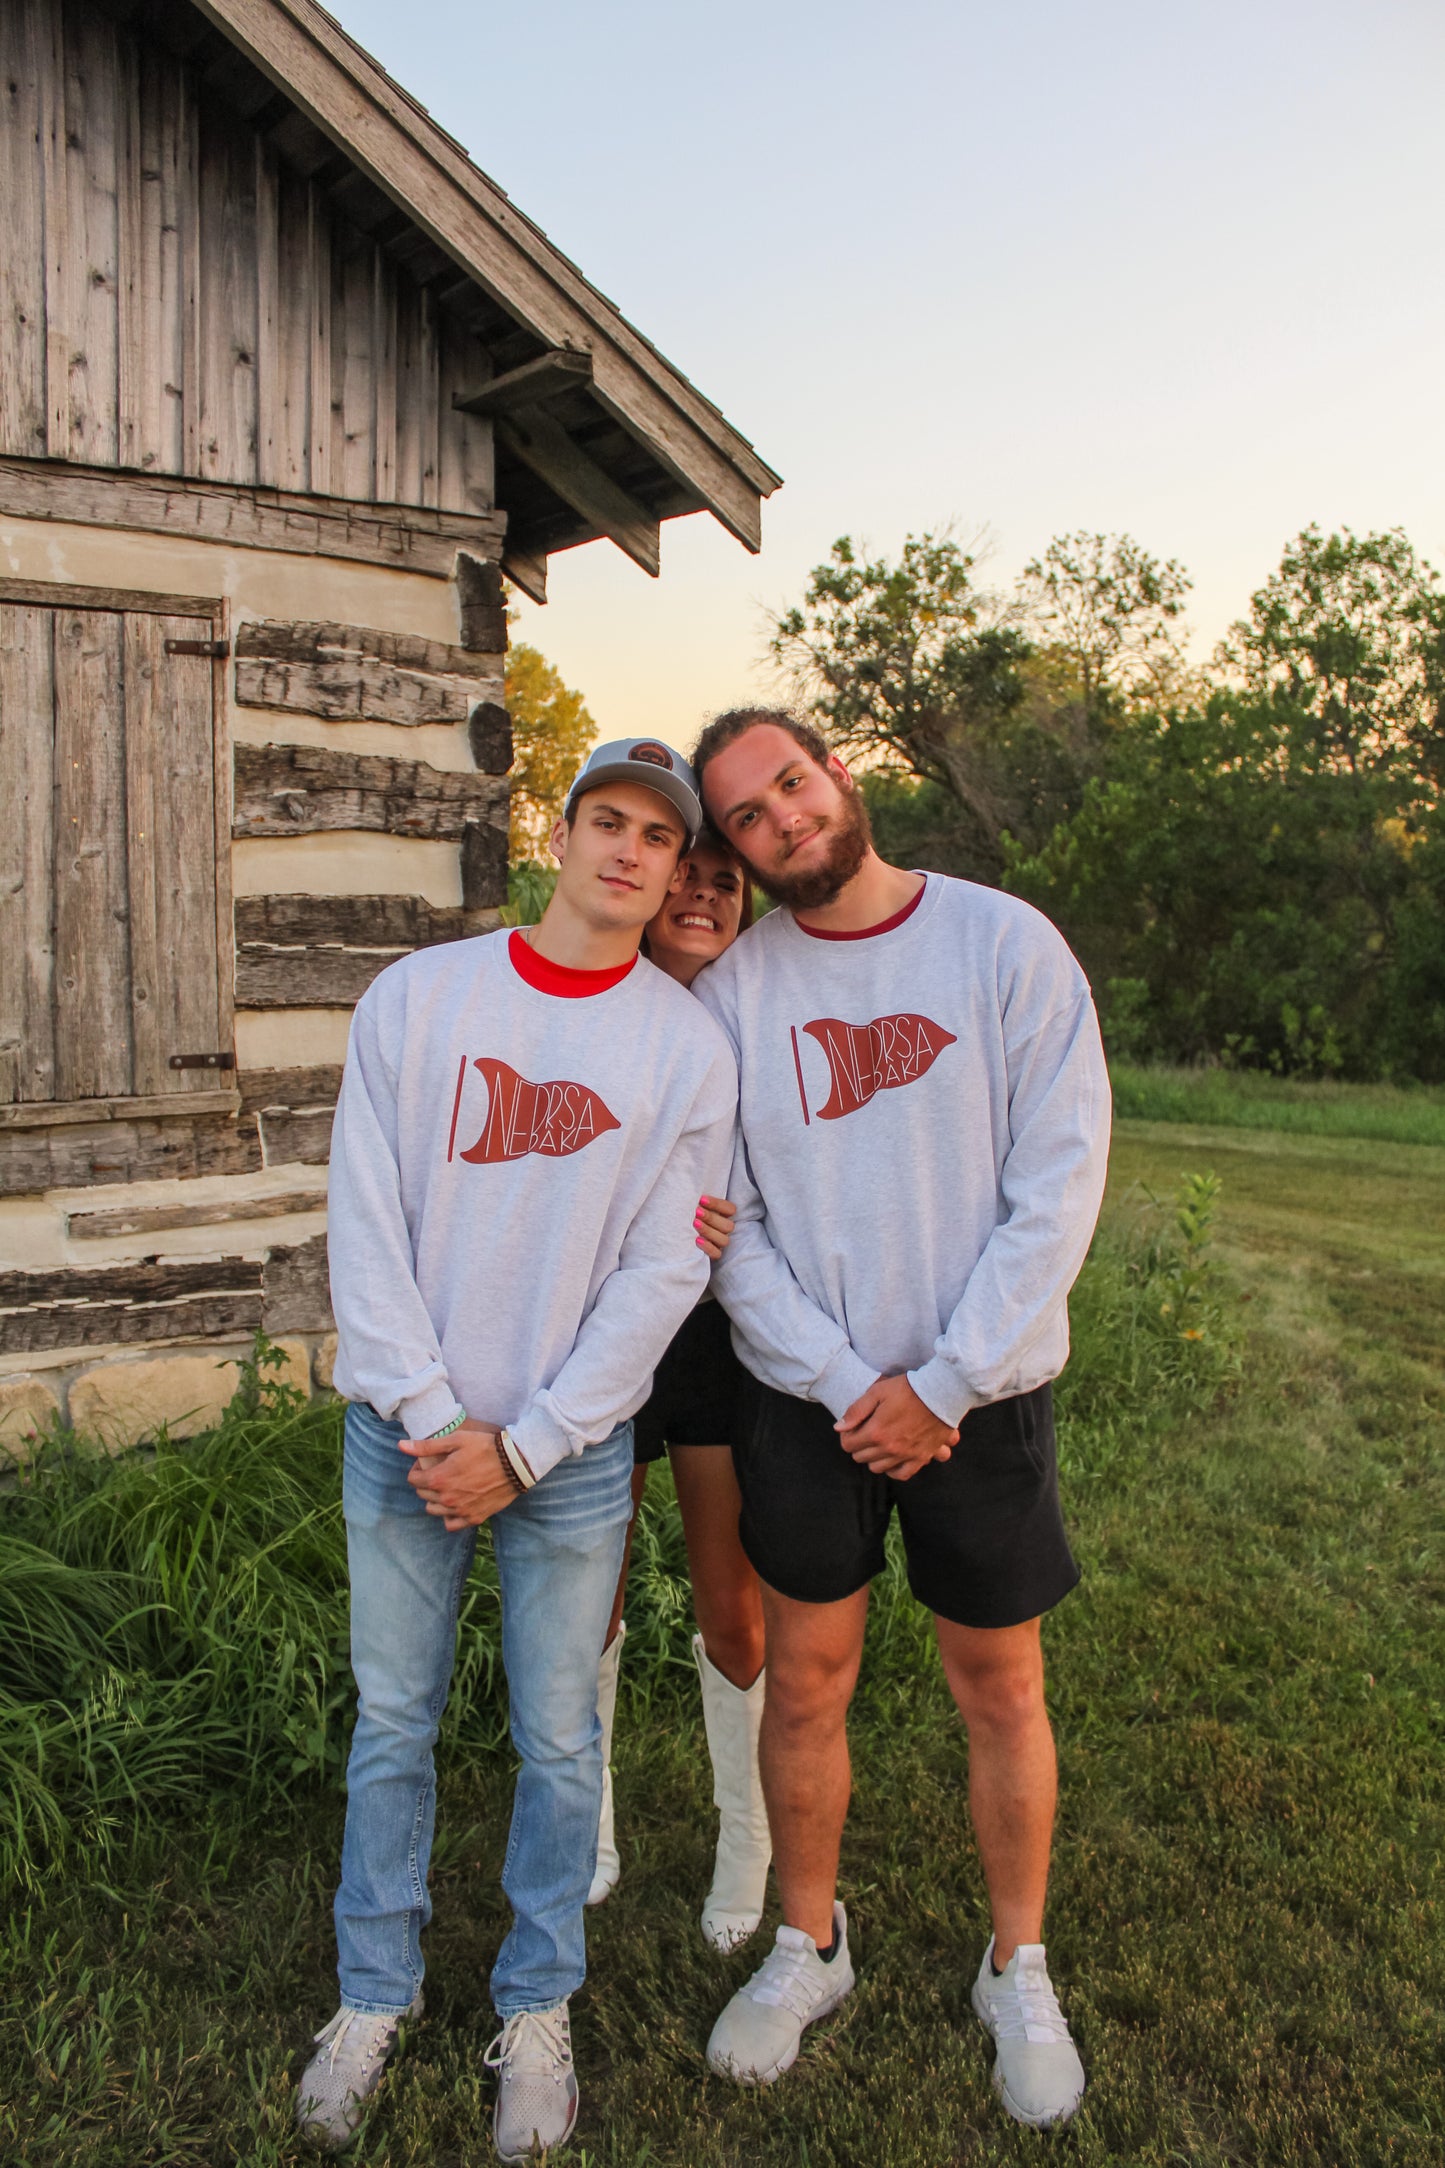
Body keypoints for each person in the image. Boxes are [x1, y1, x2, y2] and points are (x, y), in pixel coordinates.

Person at [297, 740, 737, 2162]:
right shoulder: (421, 998)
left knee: (559, 1738)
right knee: (394, 1724)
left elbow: (665, 1268)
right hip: (404, 1439)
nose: (628, 851)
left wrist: (533, 1443)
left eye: (656, 838)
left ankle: (536, 2002)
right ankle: (374, 1991)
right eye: (607, 820)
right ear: (560, 833)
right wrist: (437, 1421)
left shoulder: (685, 1051)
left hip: (573, 1453)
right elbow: (363, 1217)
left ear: (673, 871)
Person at [689, 707, 1111, 2130]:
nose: (781, 820)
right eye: (747, 816)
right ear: (736, 847)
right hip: (806, 1398)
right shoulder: (734, 996)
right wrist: (839, 1381)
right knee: (805, 1681)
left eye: (789, 784)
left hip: (980, 1394)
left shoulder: (1003, 945)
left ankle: (1016, 1963)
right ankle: (808, 1940)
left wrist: (941, 1384)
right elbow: (728, 1226)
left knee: (1000, 1684)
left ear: (840, 774)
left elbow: (1058, 1181)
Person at [586, 834, 773, 1953]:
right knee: (592, 1593)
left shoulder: (757, 1006)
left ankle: (744, 1845)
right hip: (603, 1323)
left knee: (729, 1598)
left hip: (710, 1334)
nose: (699, 896)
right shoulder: (603, 993)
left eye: (722, 883)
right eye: (685, 878)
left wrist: (741, 1209)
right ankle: (590, 1823)